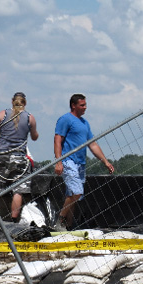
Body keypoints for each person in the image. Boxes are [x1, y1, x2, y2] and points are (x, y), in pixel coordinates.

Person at [54, 93, 114, 231]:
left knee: (72, 196)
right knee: (76, 191)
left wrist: (105, 161)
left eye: (85, 105)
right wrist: (59, 161)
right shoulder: (65, 119)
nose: (85, 107)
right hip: (68, 160)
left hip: (81, 163)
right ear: (73, 105)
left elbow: (92, 144)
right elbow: (58, 139)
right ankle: (61, 219)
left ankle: (68, 226)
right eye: (82, 105)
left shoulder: (85, 123)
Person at [0, 92, 39, 222]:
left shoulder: (2, 114)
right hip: (19, 157)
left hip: (1, 156)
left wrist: (2, 131)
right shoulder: (29, 118)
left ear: (12, 101)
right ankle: (14, 219)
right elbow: (34, 136)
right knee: (18, 190)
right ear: (25, 103)